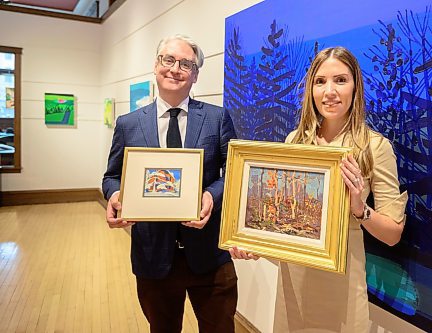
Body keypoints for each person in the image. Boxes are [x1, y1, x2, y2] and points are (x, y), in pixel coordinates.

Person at [230, 46, 408, 332]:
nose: (330, 92)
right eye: (320, 81)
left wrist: (359, 209)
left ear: (355, 86)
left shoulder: (374, 147)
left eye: (340, 80)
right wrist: (256, 245)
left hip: (343, 286)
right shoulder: (295, 141)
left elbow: (392, 234)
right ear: (311, 89)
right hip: (294, 283)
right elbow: (281, 222)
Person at [102, 34, 238, 333]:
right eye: (169, 60)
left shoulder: (217, 118)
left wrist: (211, 195)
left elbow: (233, 171)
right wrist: (114, 196)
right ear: (156, 65)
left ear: (196, 74)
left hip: (210, 254)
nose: (176, 68)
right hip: (153, 256)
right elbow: (111, 176)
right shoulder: (129, 123)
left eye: (186, 64)